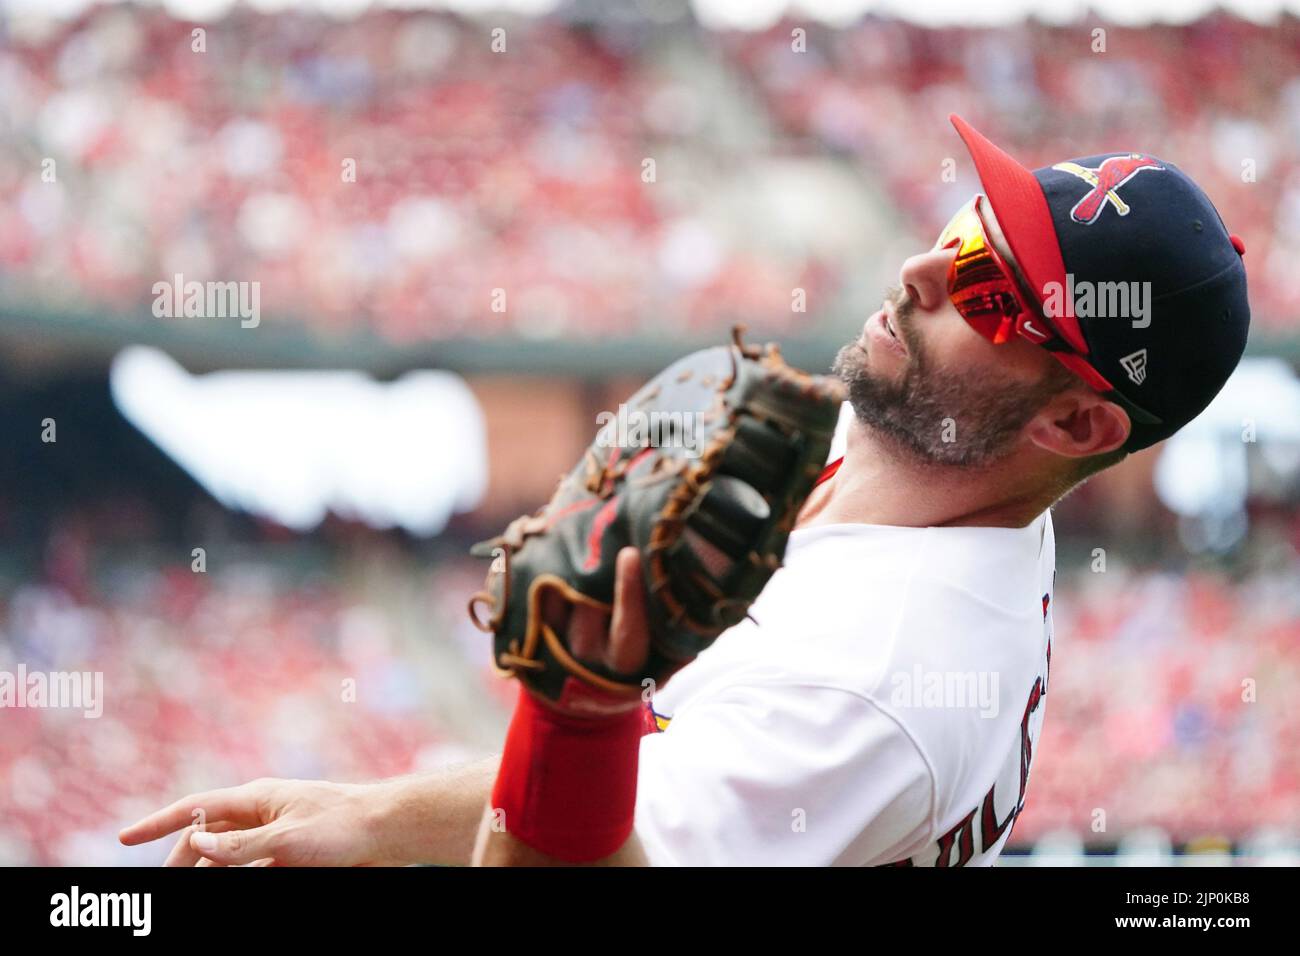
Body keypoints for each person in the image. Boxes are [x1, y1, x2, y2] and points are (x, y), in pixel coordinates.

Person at [120, 114, 1250, 867]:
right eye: (962, 231)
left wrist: (578, 706)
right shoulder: (928, 459)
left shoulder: (877, 685)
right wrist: (368, 814)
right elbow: (665, 772)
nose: (918, 273)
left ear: (1073, 423)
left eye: (987, 291)